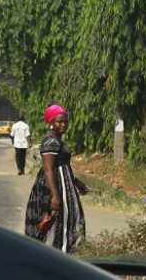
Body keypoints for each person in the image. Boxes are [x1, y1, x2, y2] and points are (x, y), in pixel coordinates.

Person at [25, 104, 88, 252]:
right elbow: (48, 169)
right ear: (51, 122)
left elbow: (63, 165)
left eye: (65, 121)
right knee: (59, 220)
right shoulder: (51, 141)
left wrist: (76, 182)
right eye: (59, 121)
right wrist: (55, 195)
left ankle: (66, 251)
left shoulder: (56, 140)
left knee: (68, 219)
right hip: (55, 187)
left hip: (64, 184)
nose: (63, 124)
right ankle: (58, 254)